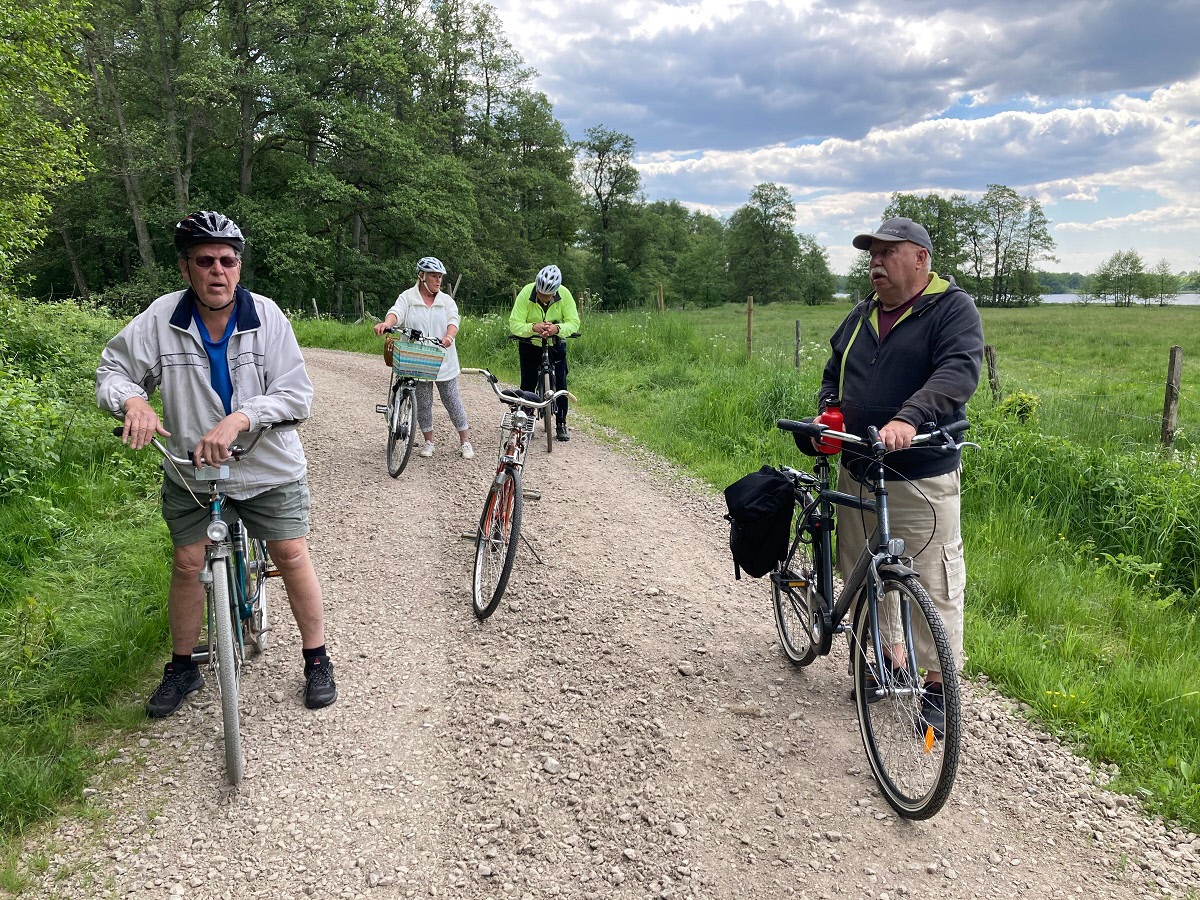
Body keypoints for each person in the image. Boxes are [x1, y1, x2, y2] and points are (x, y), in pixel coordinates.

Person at [96, 210, 337, 716]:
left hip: (267, 465)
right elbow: (114, 370)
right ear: (185, 268)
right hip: (193, 470)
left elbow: (297, 395)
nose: (217, 271)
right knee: (188, 563)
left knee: (291, 552)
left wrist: (242, 417)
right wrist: (133, 401)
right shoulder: (160, 319)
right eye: (205, 261)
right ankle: (182, 667)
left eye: (227, 260)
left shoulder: (267, 317)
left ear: (239, 267)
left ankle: (316, 658)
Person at [813, 216, 983, 733]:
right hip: (858, 465)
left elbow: (958, 371)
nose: (876, 262)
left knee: (932, 578)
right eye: (872, 254)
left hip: (918, 474)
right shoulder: (861, 314)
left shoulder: (951, 309)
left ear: (921, 259)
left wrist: (910, 418)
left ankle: (937, 687)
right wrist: (827, 414)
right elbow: (833, 372)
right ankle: (887, 660)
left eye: (888, 252)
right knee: (864, 570)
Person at [374, 257, 473, 459]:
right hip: (417, 360)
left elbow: (453, 320)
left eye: (440, 277)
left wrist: (449, 337)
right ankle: (429, 441)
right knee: (423, 402)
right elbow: (396, 312)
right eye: (434, 276)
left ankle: (465, 441)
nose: (438, 280)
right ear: (422, 276)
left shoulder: (446, 301)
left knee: (452, 400)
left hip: (443, 359)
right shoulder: (408, 297)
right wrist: (387, 323)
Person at [508, 264, 581, 441]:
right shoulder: (526, 292)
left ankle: (561, 422)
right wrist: (533, 327)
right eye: (541, 293)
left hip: (555, 342)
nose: (543, 297)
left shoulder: (564, 294)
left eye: (548, 295)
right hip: (530, 342)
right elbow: (514, 324)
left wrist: (557, 328)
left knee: (561, 383)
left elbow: (574, 322)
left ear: (556, 291)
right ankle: (526, 419)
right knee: (528, 382)